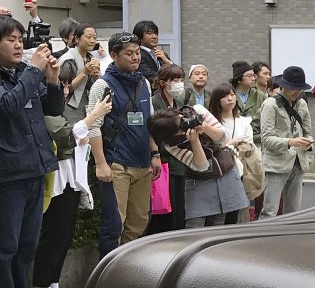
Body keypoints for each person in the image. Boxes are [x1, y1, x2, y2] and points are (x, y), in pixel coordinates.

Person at [0, 14, 65, 288]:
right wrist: (33, 70)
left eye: (19, 38)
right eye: (10, 39)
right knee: (5, 248)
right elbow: (7, 107)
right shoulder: (17, 77)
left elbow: (53, 110)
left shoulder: (20, 75)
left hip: (34, 169)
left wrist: (51, 80)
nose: (18, 44)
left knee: (26, 248)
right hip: (7, 176)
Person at [33, 86, 112, 288]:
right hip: (55, 180)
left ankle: (54, 287)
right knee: (53, 234)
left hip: (70, 178)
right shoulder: (46, 114)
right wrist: (95, 115)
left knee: (64, 234)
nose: (66, 91)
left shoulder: (62, 112)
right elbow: (66, 134)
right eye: (62, 86)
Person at [85, 33, 162, 258]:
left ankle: (128, 270)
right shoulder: (103, 84)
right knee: (113, 226)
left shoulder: (143, 82)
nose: (135, 57)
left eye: (137, 52)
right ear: (113, 55)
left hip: (142, 164)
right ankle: (105, 282)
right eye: (129, 53)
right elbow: (92, 126)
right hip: (116, 165)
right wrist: (100, 163)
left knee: (139, 223)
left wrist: (155, 154)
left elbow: (150, 122)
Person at [150, 103, 249, 228]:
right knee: (194, 225)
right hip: (199, 180)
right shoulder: (172, 145)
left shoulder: (197, 110)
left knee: (218, 226)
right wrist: (195, 141)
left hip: (223, 172)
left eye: (181, 120)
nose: (183, 126)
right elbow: (202, 166)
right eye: (179, 129)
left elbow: (224, 139)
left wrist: (205, 126)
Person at [259, 66, 313, 218]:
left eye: (299, 88)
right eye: (292, 88)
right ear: (282, 86)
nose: (296, 91)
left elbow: (308, 131)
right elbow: (266, 139)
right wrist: (290, 142)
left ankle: (289, 240)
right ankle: (264, 240)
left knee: (293, 212)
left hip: (298, 162)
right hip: (276, 164)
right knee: (270, 211)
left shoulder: (302, 104)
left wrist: (308, 144)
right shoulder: (270, 105)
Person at [146, 64, 189, 232]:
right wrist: (155, 153)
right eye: (175, 80)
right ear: (163, 83)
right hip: (163, 160)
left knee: (179, 208)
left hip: (179, 160)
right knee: (163, 208)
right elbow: (152, 131)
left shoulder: (178, 102)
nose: (179, 83)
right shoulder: (154, 102)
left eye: (181, 80)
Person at [208, 83, 255, 224]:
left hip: (238, 172)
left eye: (232, 94)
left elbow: (249, 146)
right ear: (217, 100)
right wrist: (230, 145)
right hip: (216, 172)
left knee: (234, 214)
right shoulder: (211, 122)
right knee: (216, 215)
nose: (230, 99)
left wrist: (235, 146)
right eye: (225, 96)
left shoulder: (243, 122)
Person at [57, 23, 101, 122]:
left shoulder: (91, 58)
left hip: (89, 104)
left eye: (94, 37)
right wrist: (84, 72)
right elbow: (65, 88)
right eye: (88, 37)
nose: (92, 41)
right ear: (77, 39)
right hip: (71, 106)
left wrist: (96, 76)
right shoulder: (68, 59)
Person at [231, 61, 266, 146]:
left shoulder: (260, 96)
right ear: (239, 79)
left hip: (256, 140)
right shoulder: (230, 95)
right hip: (234, 139)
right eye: (249, 76)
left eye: (253, 75)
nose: (253, 79)